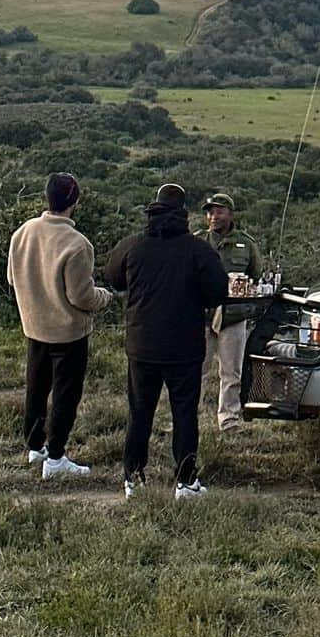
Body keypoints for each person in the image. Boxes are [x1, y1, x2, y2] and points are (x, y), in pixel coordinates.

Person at [104, 183, 228, 500]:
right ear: (184, 214)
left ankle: (133, 478)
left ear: (153, 209)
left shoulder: (132, 246)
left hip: (142, 343)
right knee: (184, 413)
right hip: (184, 346)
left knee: (140, 411)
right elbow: (218, 293)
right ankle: (185, 481)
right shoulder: (199, 250)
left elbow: (112, 278)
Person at [6, 172, 112, 480]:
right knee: (66, 395)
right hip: (68, 332)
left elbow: (13, 279)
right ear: (75, 201)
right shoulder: (77, 244)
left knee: (36, 389)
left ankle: (34, 447)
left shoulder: (23, 232)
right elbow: (81, 296)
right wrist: (105, 297)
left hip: (34, 326)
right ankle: (55, 457)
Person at [200, 192, 262, 432]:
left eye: (219, 211)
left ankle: (229, 421)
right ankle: (185, 417)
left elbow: (256, 274)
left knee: (231, 371)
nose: (213, 216)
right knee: (196, 369)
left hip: (233, 313)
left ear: (230, 214)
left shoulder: (246, 243)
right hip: (203, 314)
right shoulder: (198, 241)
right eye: (210, 211)